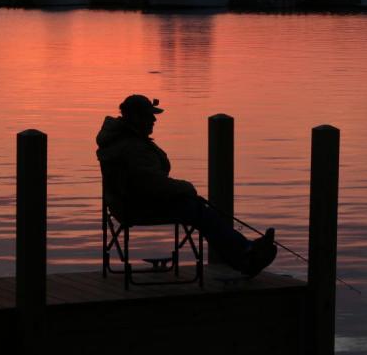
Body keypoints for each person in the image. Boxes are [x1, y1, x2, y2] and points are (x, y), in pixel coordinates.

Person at [96, 94, 276, 277]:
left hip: (131, 203)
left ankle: (245, 251)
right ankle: (245, 256)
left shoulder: (124, 140)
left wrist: (179, 191)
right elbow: (152, 184)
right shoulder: (132, 147)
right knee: (198, 211)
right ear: (135, 117)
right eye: (148, 115)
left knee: (198, 209)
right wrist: (185, 188)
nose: (153, 119)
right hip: (136, 207)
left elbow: (147, 184)